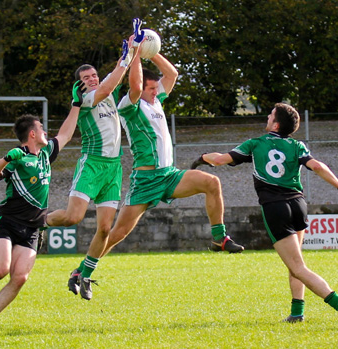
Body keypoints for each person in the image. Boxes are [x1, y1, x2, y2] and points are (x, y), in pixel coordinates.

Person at [73, 33, 245, 301]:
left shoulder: (154, 101)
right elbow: (137, 82)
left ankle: (219, 238)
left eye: (156, 89)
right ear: (141, 90)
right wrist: (135, 56)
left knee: (212, 183)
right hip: (145, 180)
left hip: (169, 175)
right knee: (116, 233)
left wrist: (150, 51)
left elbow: (173, 73)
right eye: (152, 90)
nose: (157, 93)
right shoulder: (129, 105)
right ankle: (81, 270)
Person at [191, 102, 338, 322]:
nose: (267, 118)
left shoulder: (256, 144)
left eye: (270, 115)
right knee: (296, 264)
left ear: (276, 124)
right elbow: (316, 166)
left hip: (275, 208)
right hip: (298, 205)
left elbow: (220, 159)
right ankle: (297, 313)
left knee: (297, 267)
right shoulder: (297, 146)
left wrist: (202, 158)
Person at [0, 80, 85, 333]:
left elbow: (67, 133)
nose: (46, 132)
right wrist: (5, 159)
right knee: (1, 270)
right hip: (8, 221)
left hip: (33, 226)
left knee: (20, 277)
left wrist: (76, 103)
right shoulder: (18, 157)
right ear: (32, 134)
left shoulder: (47, 153)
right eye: (42, 129)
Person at [46, 20, 143, 297]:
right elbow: (112, 81)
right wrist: (125, 57)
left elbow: (116, 76)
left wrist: (134, 47)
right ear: (81, 84)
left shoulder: (108, 93)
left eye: (94, 75)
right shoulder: (88, 99)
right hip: (92, 164)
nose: (92, 79)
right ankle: (39, 221)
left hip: (113, 169)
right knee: (73, 217)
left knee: (104, 229)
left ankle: (85, 274)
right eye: (86, 77)